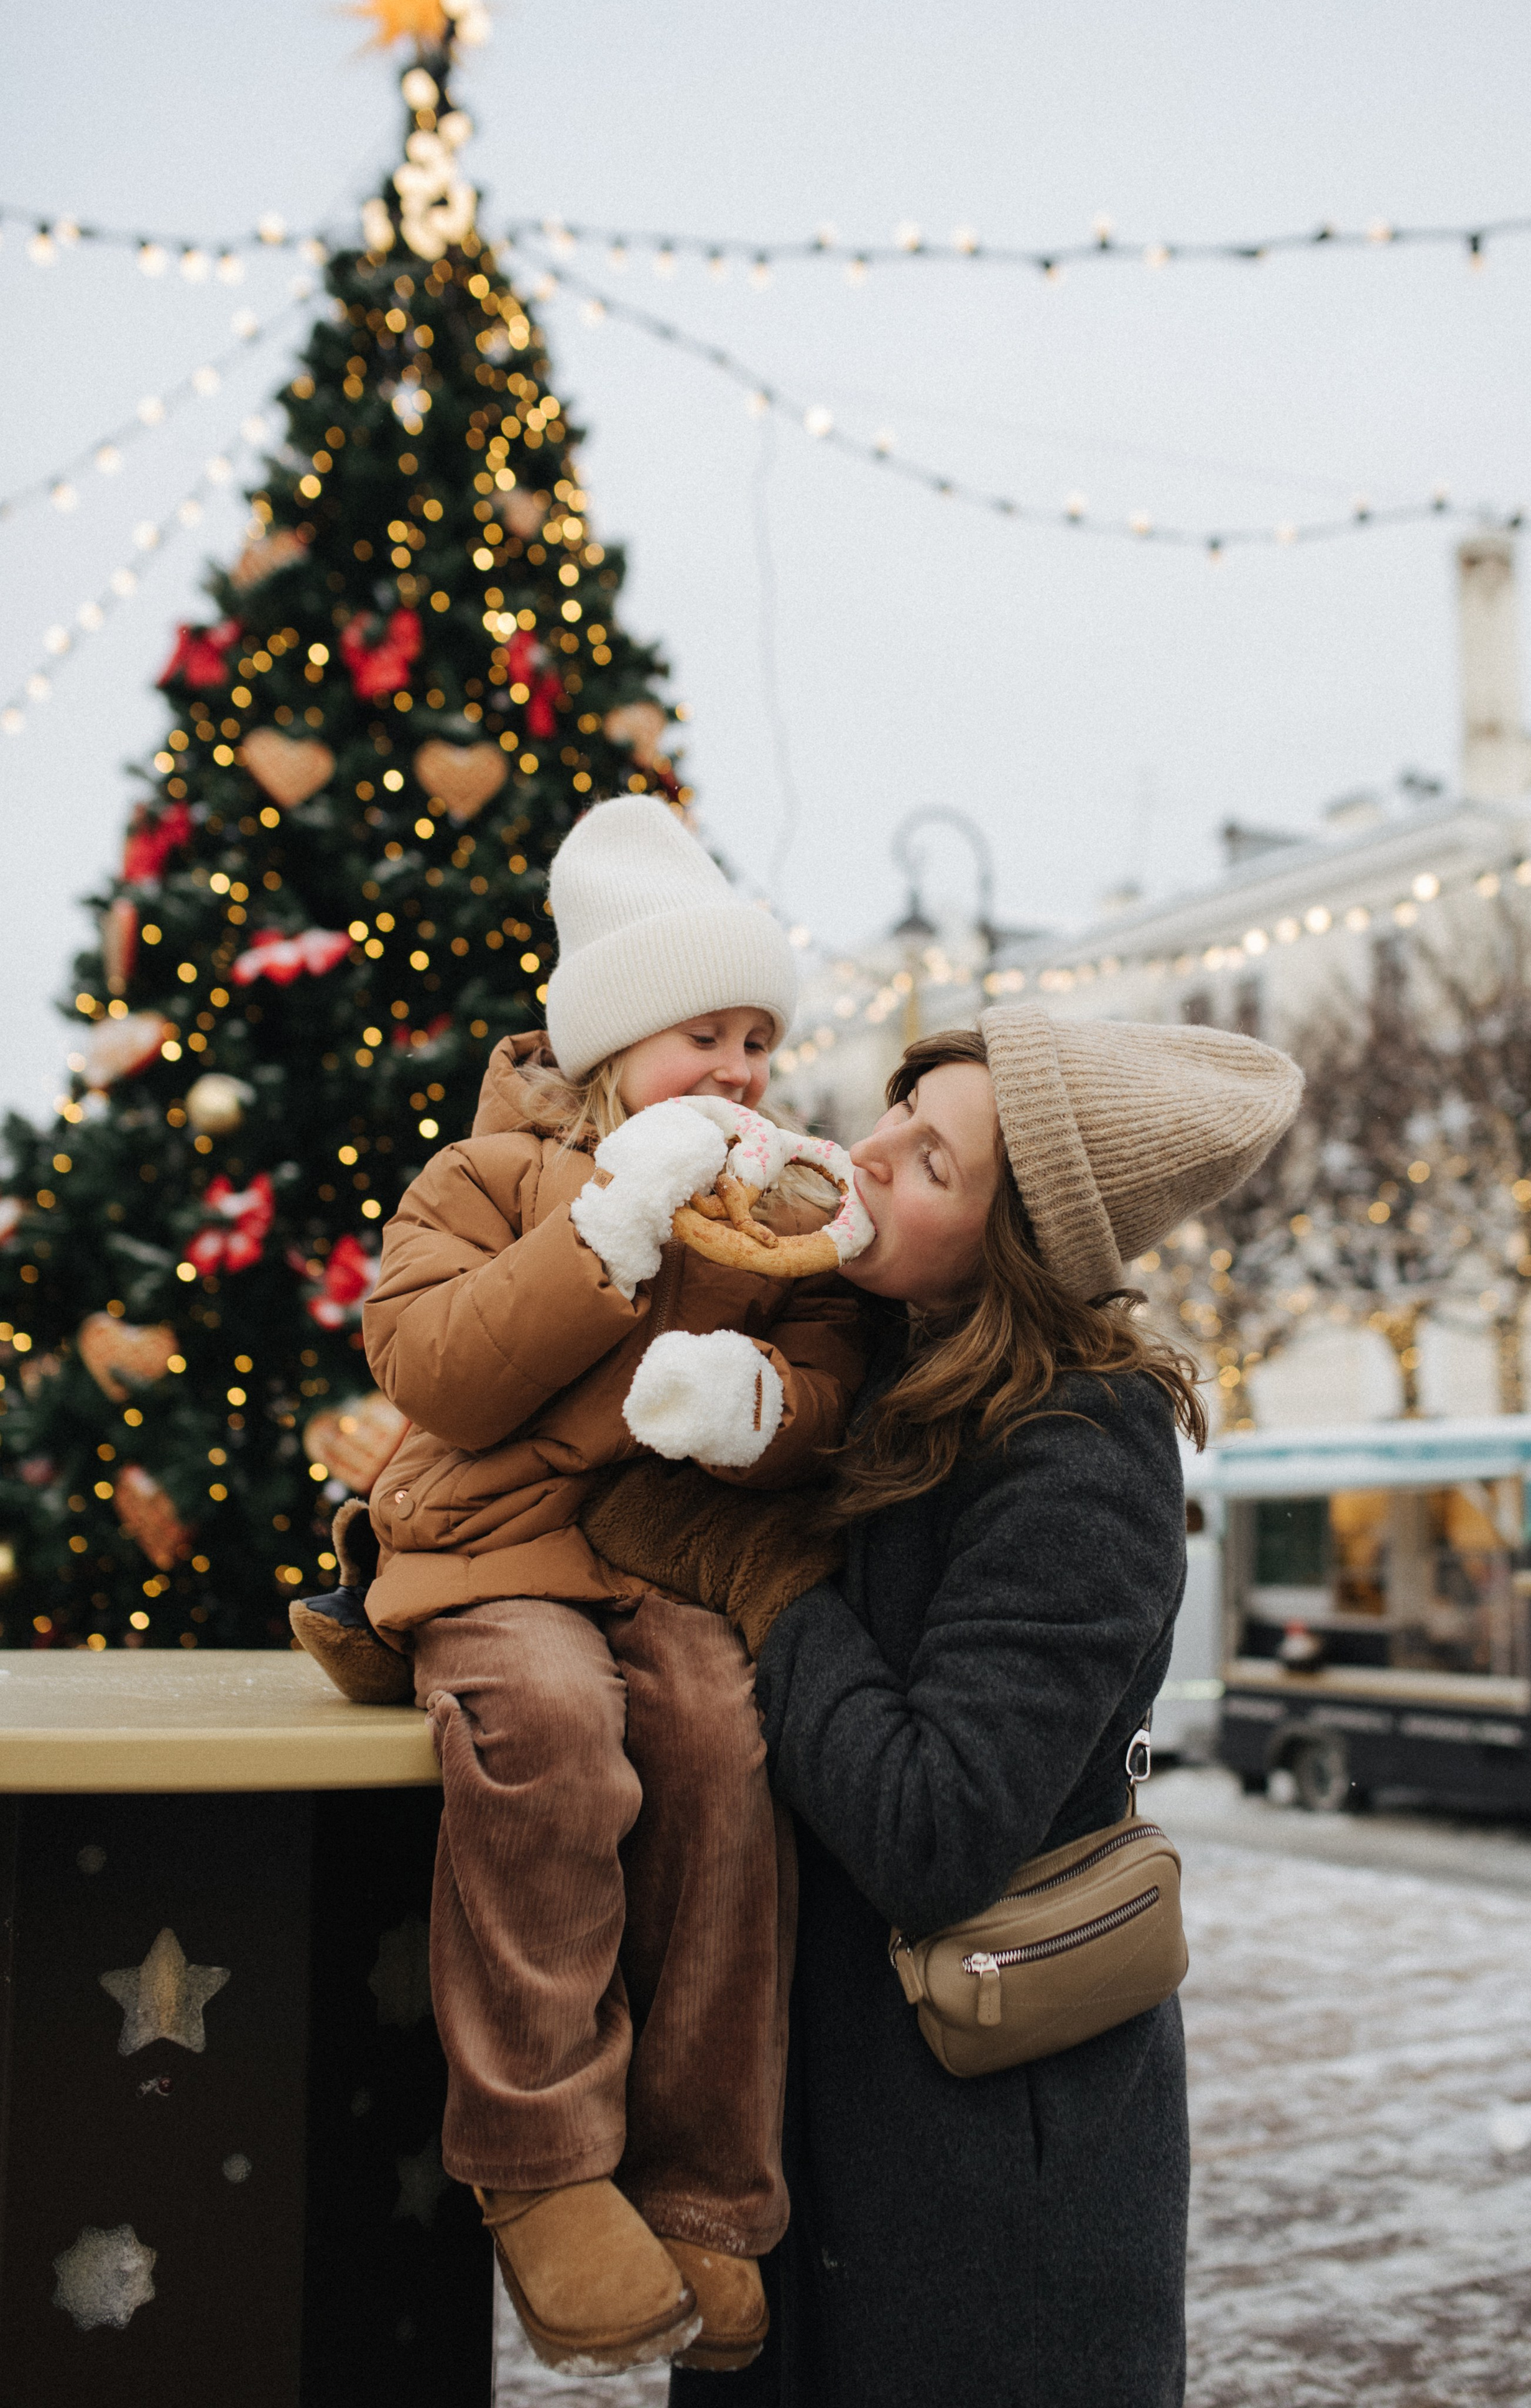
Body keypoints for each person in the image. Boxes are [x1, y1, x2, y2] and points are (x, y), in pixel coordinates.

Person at [305, 797, 873, 2378]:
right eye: (709, 1032)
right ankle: (539, 2162)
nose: (745, 1070)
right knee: (548, 1724)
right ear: (620, 1045)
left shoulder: (771, 1210)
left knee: (716, 1735)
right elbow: (434, 1369)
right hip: (486, 1552)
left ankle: (706, 2186)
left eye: (760, 1037)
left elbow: (825, 1382)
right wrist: (607, 1230)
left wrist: (762, 1410)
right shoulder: (476, 1180)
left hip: (657, 1563)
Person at [665, 1004, 1302, 2408]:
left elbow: (932, 1827)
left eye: (933, 1161)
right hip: (806, 2151)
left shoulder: (1077, 1452)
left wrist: (763, 1577)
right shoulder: (867, 1357)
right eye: (900, 1106)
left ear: (1016, 1244)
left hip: (983, 2198)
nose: (873, 1148)